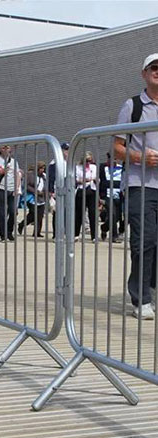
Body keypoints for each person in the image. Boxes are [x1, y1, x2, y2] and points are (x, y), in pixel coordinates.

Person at [114, 53, 158, 320]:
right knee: (145, 240)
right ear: (144, 73)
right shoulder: (133, 106)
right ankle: (141, 298)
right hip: (140, 183)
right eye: (154, 67)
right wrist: (141, 157)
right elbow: (116, 146)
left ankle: (150, 287)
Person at [0, 145, 21, 241]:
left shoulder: (14, 161)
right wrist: (1, 172)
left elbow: (17, 174)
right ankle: (3, 234)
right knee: (1, 212)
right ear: (0, 149)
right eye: (3, 148)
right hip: (1, 188)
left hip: (12, 189)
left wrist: (17, 188)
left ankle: (9, 231)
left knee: (12, 212)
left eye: (8, 147)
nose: (6, 149)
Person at [18, 161, 47, 237]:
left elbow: (45, 186)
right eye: (41, 168)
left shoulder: (44, 177)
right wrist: (35, 191)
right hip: (31, 198)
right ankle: (21, 225)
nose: (42, 170)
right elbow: (26, 185)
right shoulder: (30, 175)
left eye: (43, 168)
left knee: (40, 216)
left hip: (41, 199)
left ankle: (37, 232)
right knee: (33, 214)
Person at [99, 152, 123, 243]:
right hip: (107, 195)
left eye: (115, 159)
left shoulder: (121, 168)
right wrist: (99, 197)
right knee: (112, 214)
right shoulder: (102, 168)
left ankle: (104, 227)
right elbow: (98, 182)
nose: (113, 160)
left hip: (118, 195)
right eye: (111, 158)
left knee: (116, 217)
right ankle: (114, 236)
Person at [74, 151, 98, 241]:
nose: (88, 163)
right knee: (79, 213)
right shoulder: (78, 167)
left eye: (90, 161)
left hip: (92, 190)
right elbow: (76, 179)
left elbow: (96, 177)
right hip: (81, 190)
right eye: (87, 161)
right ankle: (76, 234)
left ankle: (94, 236)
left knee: (93, 213)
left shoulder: (93, 167)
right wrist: (83, 180)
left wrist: (96, 180)